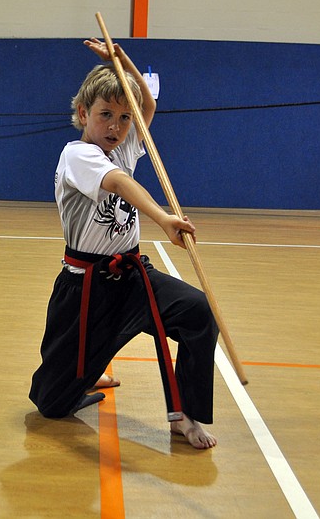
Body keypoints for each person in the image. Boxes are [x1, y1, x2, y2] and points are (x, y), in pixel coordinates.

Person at [29, 38, 219, 450]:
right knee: (51, 405)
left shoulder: (124, 143)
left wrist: (121, 61)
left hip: (132, 278)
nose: (115, 126)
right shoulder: (76, 155)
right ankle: (87, 369)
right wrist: (164, 217)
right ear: (83, 114)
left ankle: (183, 416)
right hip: (86, 290)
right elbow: (118, 181)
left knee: (199, 313)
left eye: (122, 118)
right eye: (104, 115)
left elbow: (146, 105)